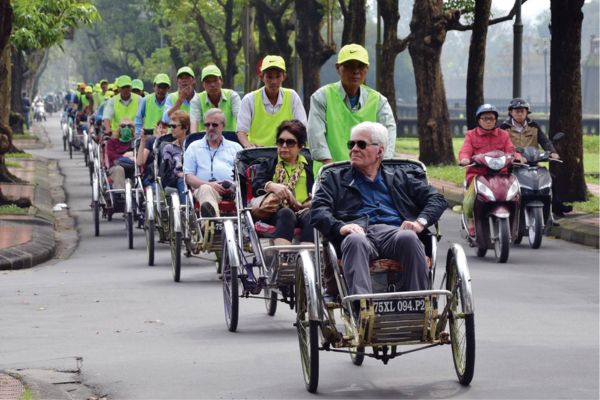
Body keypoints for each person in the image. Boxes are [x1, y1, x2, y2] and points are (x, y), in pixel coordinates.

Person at [310, 121, 446, 298]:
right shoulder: (334, 180)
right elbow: (318, 210)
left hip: (395, 233)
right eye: (351, 144)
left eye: (361, 144)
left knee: (409, 237)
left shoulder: (400, 177)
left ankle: (418, 304)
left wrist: (419, 223)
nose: (354, 149)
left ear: (380, 151)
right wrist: (340, 227)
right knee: (354, 241)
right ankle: (361, 309)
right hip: (358, 234)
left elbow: (437, 199)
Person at [307, 44, 397, 175]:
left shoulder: (379, 101)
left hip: (368, 175)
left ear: (367, 69)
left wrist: (380, 167)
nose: (355, 71)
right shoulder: (321, 97)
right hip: (330, 174)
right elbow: (315, 135)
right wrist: (330, 168)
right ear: (338, 68)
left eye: (360, 66)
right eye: (349, 66)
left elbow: (389, 134)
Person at [499, 97, 571, 217]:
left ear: (527, 112)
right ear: (511, 112)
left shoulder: (534, 126)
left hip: (533, 162)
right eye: (516, 111)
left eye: (522, 110)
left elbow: (545, 141)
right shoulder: (503, 128)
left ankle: (556, 206)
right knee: (504, 182)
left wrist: (552, 152)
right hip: (513, 164)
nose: (520, 113)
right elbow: (499, 145)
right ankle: (505, 210)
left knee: (551, 178)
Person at [458, 104, 519, 236]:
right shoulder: (471, 135)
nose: (488, 121)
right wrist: (465, 159)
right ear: (478, 120)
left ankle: (515, 222)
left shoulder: (503, 135)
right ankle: (471, 219)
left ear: (496, 120)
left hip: (501, 174)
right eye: (485, 118)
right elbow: (465, 150)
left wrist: (518, 157)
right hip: (477, 174)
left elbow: (511, 150)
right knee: (470, 197)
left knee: (515, 194)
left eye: (491, 118)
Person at [250, 120, 314, 246]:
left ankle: (308, 259)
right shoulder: (268, 163)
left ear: (300, 146)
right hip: (275, 212)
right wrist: (272, 186)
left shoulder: (310, 165)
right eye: (281, 141)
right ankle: (283, 256)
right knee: (286, 213)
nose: (284, 146)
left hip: (304, 210)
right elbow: (256, 185)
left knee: (312, 215)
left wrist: (312, 201)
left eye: (290, 142)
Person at [236, 55, 306, 148]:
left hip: (287, 152)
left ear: (284, 77)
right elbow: (241, 131)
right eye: (269, 77)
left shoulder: (292, 96)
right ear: (261, 77)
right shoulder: (249, 99)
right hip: (258, 154)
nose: (274, 81)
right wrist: (248, 145)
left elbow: (301, 127)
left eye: (278, 76)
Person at [184, 108, 242, 217]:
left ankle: (246, 224)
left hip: (232, 190)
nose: (210, 128)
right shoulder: (194, 147)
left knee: (242, 192)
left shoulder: (235, 147)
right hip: (205, 189)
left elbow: (242, 175)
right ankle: (212, 223)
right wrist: (209, 184)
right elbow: (188, 177)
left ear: (223, 126)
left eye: (214, 125)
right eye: (207, 125)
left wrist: (232, 186)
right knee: (206, 189)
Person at [190, 65, 241, 133]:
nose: (212, 85)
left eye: (215, 80)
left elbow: (240, 119)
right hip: (206, 138)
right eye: (208, 82)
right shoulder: (197, 99)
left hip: (230, 139)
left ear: (221, 81)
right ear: (203, 84)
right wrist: (194, 137)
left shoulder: (232, 96)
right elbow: (194, 123)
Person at [159, 111, 190, 203]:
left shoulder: (195, 146)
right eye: (170, 126)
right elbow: (167, 170)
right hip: (176, 178)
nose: (171, 129)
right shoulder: (169, 147)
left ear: (186, 127)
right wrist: (180, 174)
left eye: (174, 126)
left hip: (194, 176)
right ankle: (188, 211)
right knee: (182, 180)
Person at [135, 73, 171, 137]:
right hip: (148, 136)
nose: (161, 90)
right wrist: (138, 136)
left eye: (164, 87)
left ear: (168, 88)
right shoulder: (146, 100)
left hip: (166, 137)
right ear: (154, 87)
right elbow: (138, 119)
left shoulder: (172, 100)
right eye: (159, 86)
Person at [137, 119, 169, 187]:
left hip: (168, 178)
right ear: (156, 128)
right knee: (157, 187)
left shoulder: (173, 142)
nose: (161, 130)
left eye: (164, 128)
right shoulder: (151, 141)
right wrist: (143, 141)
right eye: (159, 127)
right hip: (153, 177)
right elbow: (140, 162)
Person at [106, 118, 135, 191]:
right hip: (116, 167)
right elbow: (111, 155)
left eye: (129, 126)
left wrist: (134, 155)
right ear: (119, 128)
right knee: (119, 169)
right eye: (123, 126)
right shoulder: (112, 142)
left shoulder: (136, 142)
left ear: (133, 129)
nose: (126, 128)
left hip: (132, 167)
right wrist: (124, 156)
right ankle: (120, 194)